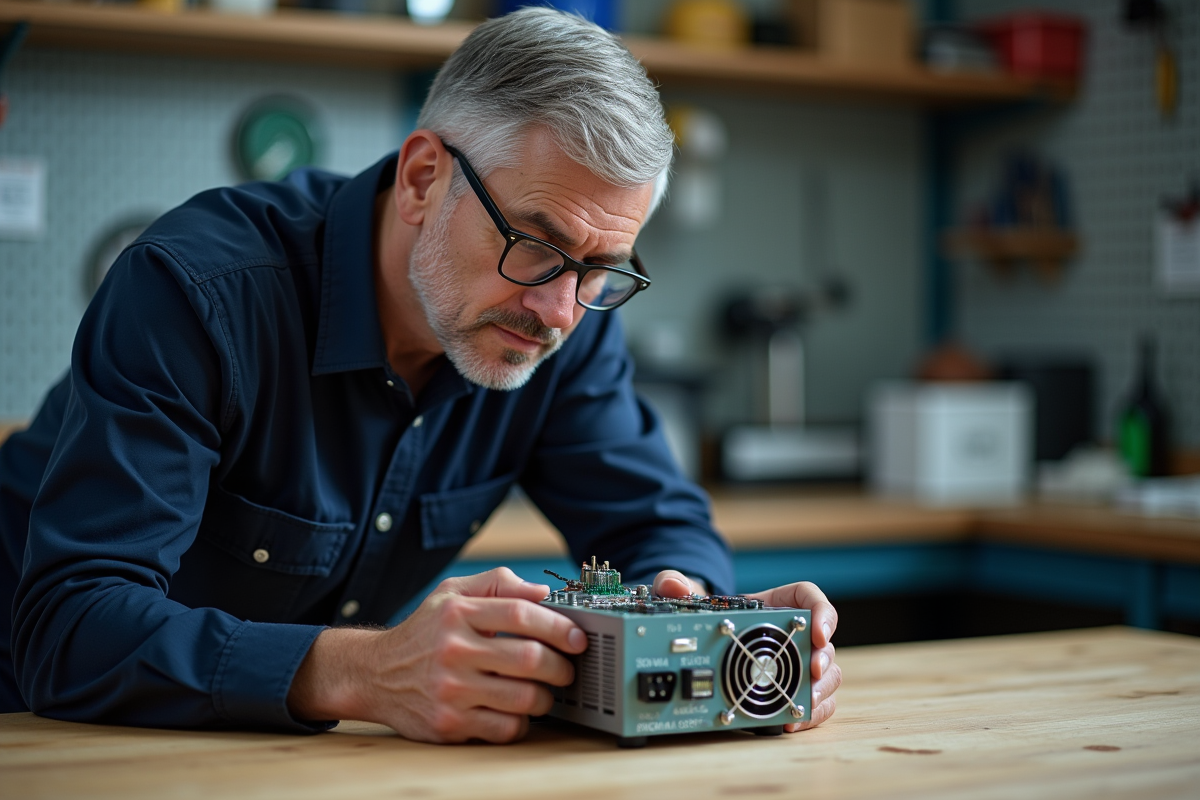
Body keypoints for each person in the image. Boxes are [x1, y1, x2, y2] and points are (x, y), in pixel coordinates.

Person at [0, 8, 840, 743]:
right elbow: (70, 628)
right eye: (535, 245)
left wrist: (690, 615)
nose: (558, 311)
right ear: (422, 179)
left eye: (599, 269)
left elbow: (656, 522)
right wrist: (365, 672)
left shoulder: (566, 322)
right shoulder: (195, 293)